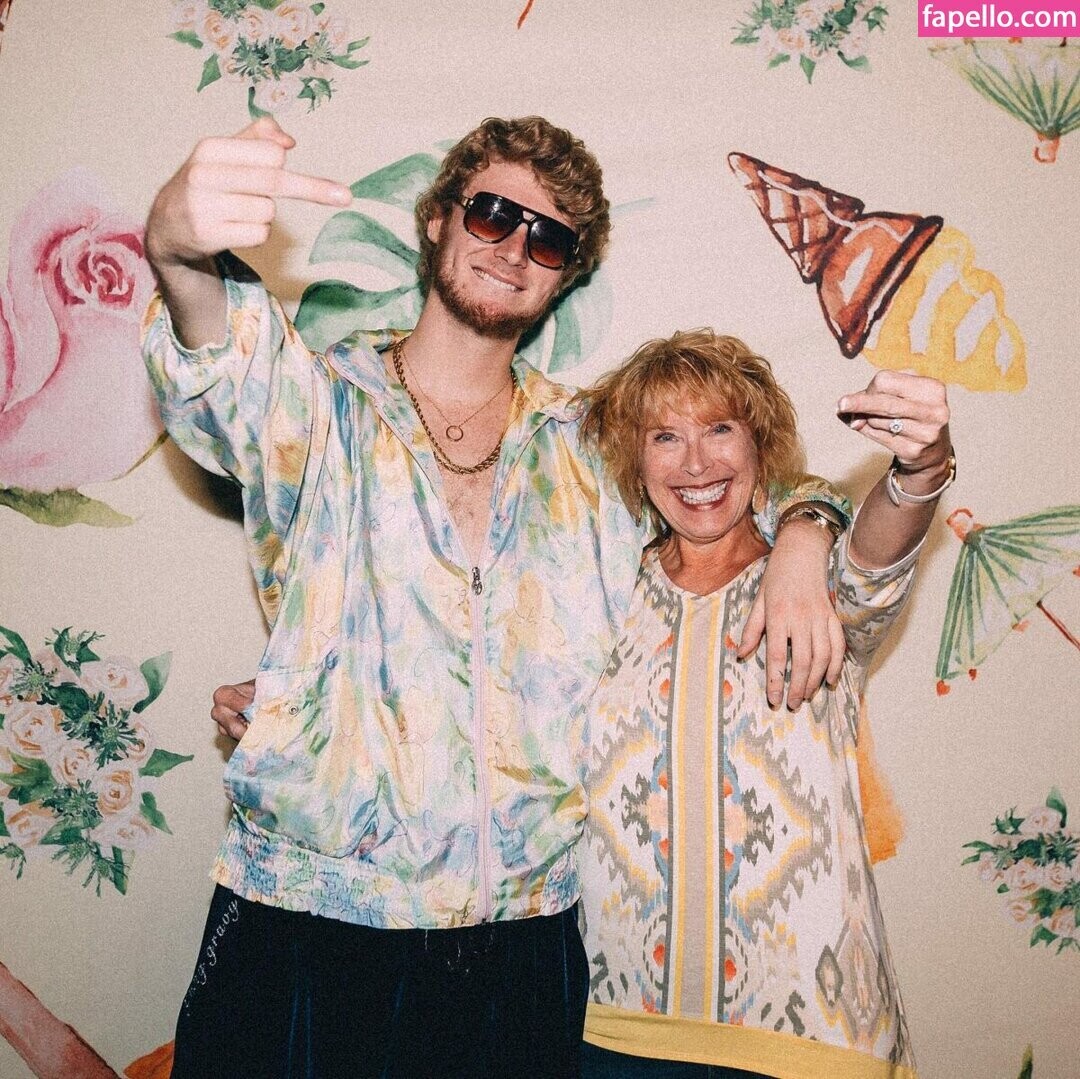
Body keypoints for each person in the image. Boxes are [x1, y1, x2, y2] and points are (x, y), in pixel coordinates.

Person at [142, 116, 851, 1078]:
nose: (516, 247)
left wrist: (807, 531)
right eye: (492, 214)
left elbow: (744, 486)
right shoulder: (316, 404)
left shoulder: (592, 444)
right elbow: (219, 361)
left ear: (564, 273)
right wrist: (177, 250)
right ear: (438, 219)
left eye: (549, 237)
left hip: (525, 943)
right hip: (308, 920)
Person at [572, 331, 953, 1078]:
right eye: (665, 436)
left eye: (720, 428)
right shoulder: (602, 590)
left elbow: (881, 550)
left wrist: (922, 468)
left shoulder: (818, 585)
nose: (696, 463)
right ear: (634, 459)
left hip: (812, 1037)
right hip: (619, 1030)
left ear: (759, 444)